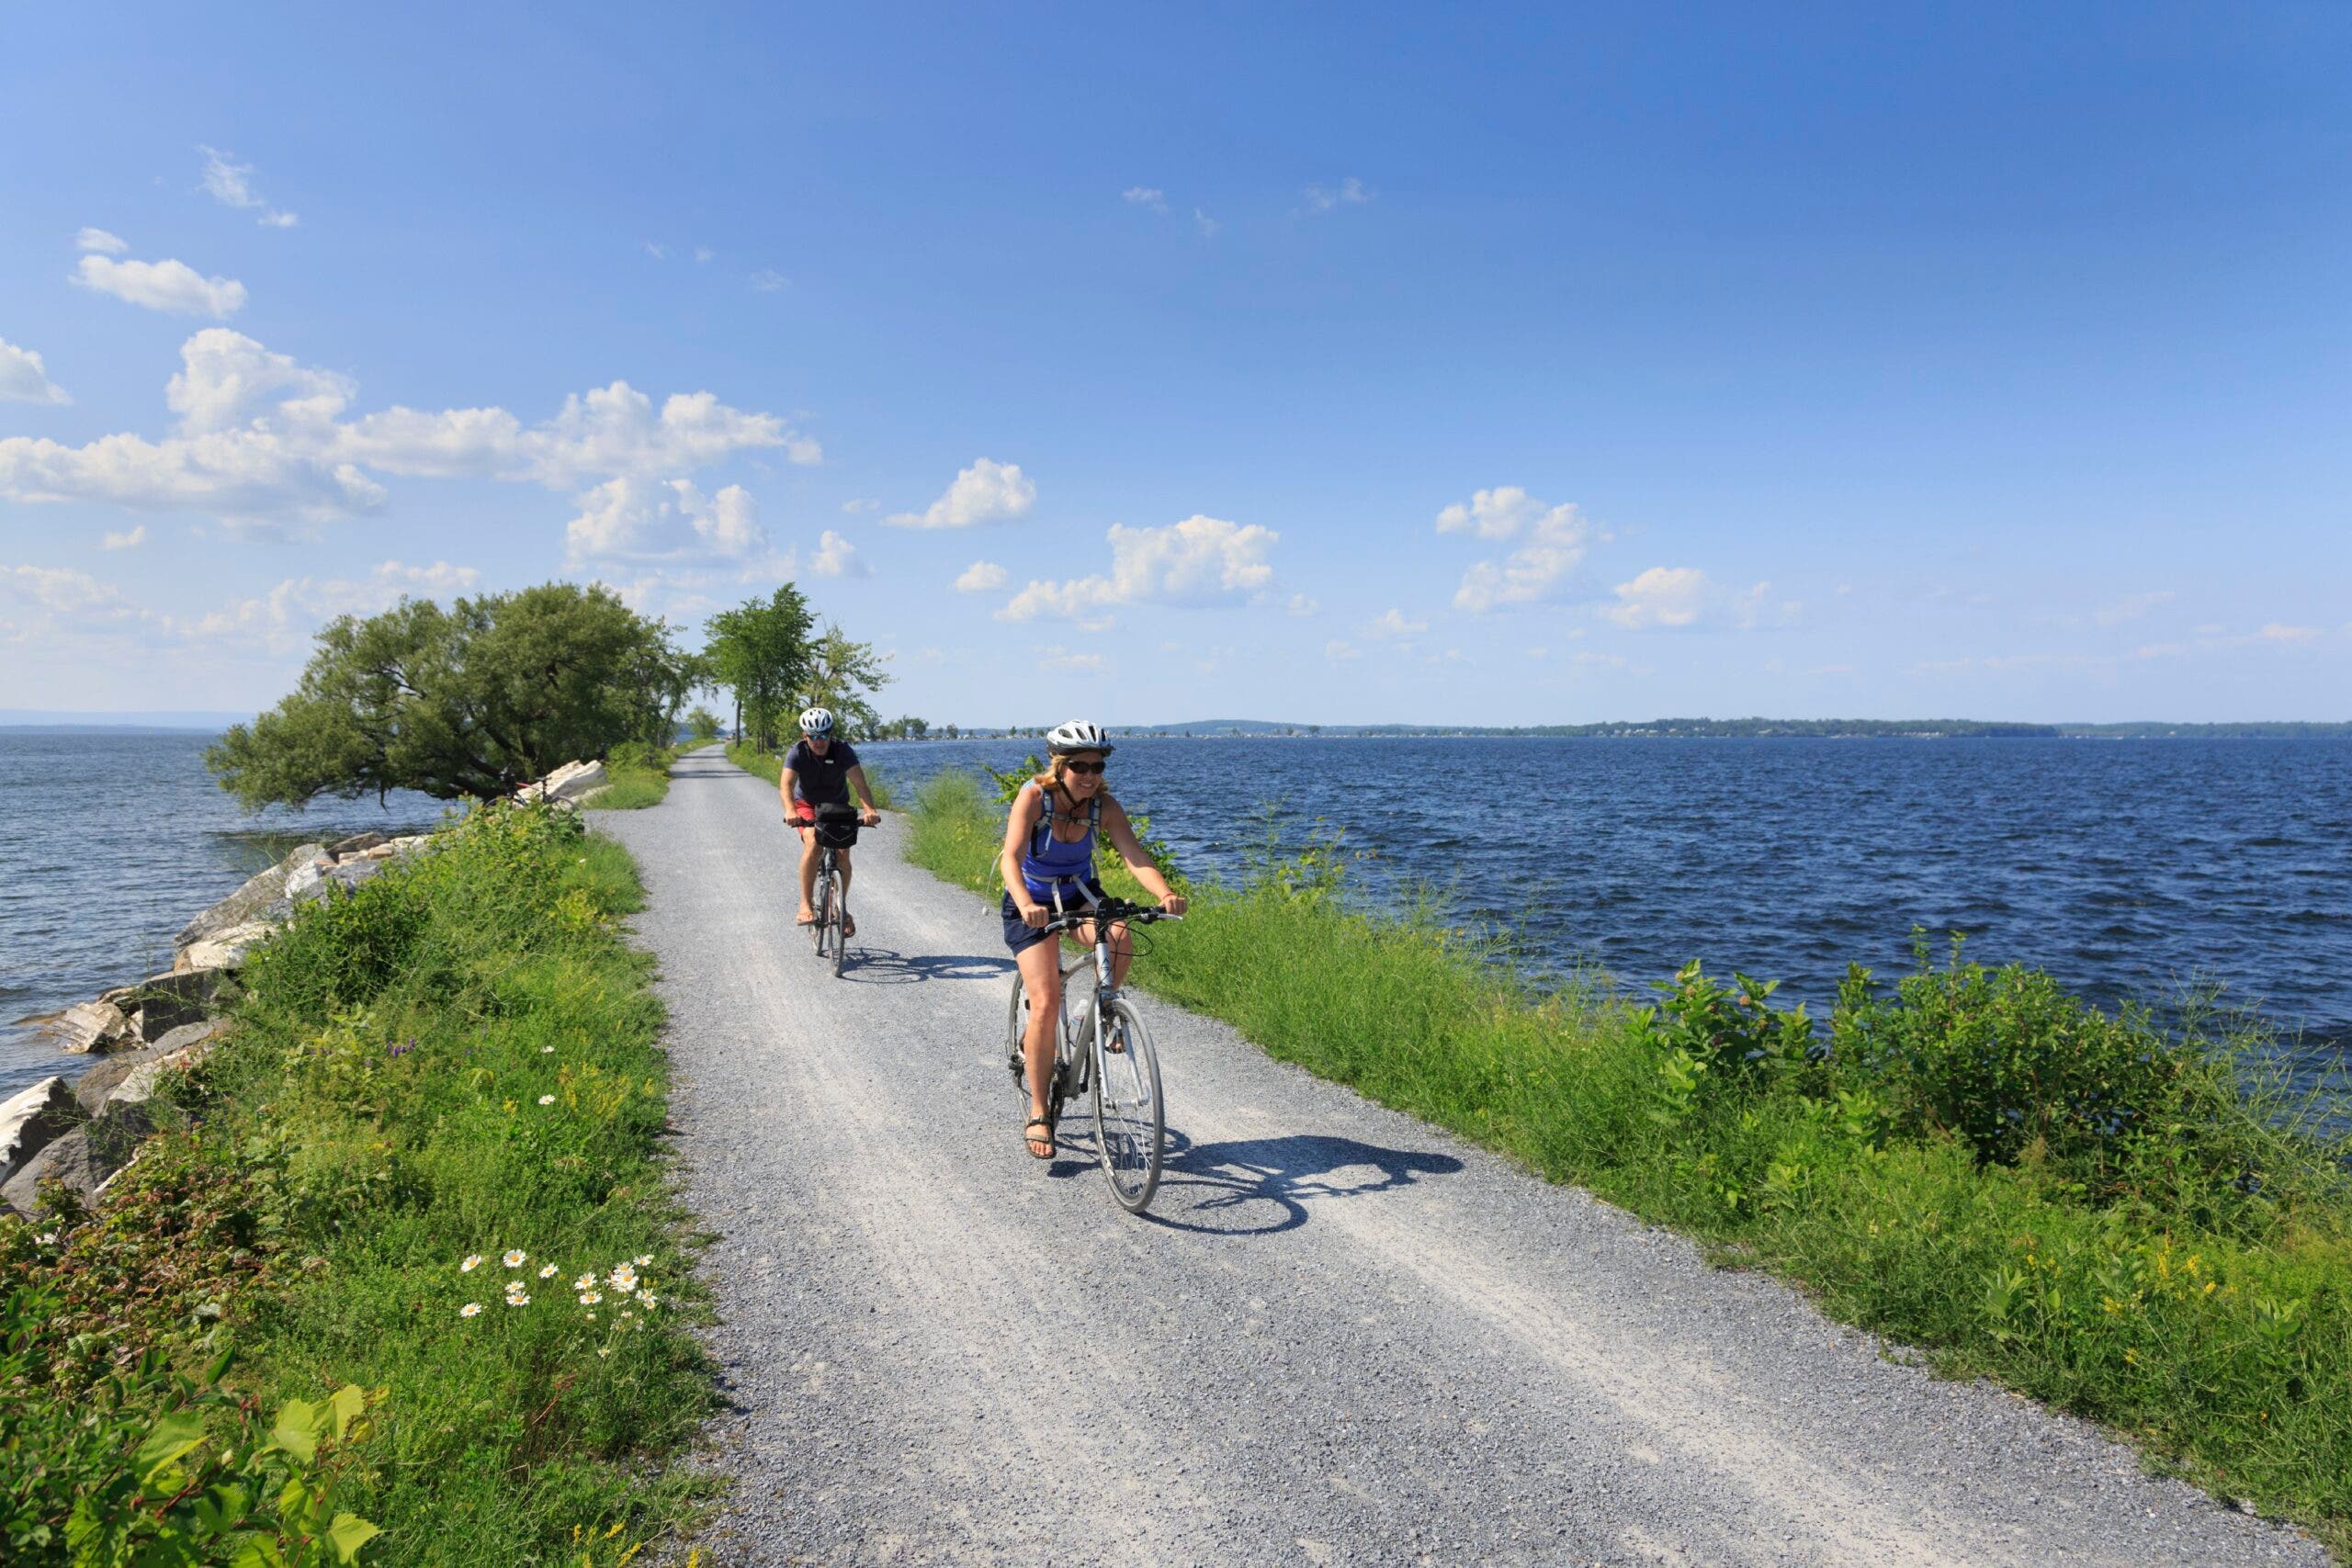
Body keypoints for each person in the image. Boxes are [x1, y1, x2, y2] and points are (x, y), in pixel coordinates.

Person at [998, 719, 1186, 1160]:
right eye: (1079, 765)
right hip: (1033, 902)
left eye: (1097, 765)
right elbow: (1010, 856)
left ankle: (1099, 1012)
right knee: (1044, 1002)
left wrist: (1164, 894)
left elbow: (1133, 854)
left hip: (1079, 897)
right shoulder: (1034, 797)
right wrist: (1025, 901)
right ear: (1059, 766)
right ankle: (1040, 1111)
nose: (1089, 774)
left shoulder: (1105, 806)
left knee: (1119, 934)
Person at [782, 707, 882, 933]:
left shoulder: (843, 751)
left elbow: (860, 784)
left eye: (824, 735)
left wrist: (870, 810)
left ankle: (840, 907)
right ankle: (805, 903)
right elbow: (786, 785)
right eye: (813, 736)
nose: (819, 741)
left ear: (831, 734)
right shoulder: (797, 752)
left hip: (837, 806)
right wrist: (790, 811)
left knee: (843, 853)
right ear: (804, 736)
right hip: (807, 805)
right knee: (814, 842)